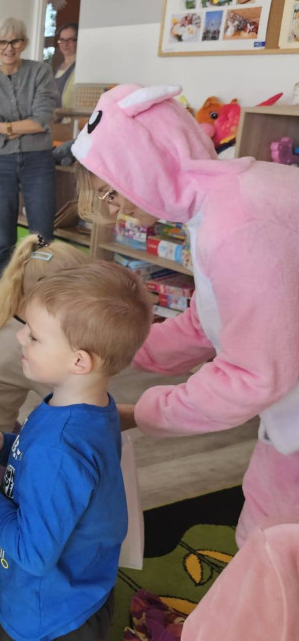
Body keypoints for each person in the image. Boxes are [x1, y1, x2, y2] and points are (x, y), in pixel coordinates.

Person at [71, 83, 299, 547]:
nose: (115, 211)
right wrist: (120, 347)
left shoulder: (234, 226)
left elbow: (254, 375)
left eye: (112, 193)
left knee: (272, 542)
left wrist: (141, 412)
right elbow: (210, 320)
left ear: (143, 168)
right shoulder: (221, 196)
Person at [0, 261, 152, 641]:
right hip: (77, 589)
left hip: (45, 616)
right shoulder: (89, 407)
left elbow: (31, 553)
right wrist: (4, 448)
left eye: (35, 335)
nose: (19, 338)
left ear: (79, 361)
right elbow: (63, 470)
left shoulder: (60, 447)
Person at [0, 235, 89, 606]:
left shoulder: (1, 312)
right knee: (17, 506)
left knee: (9, 496)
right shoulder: (24, 344)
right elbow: (63, 392)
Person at [0, 17, 60, 276]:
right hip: (0, 164)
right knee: (4, 237)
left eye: (15, 41)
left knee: (43, 233)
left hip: (39, 161)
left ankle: (41, 286)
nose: (9, 47)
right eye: (2, 42)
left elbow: (41, 120)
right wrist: (20, 127)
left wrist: (3, 127)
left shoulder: (40, 72)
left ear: (23, 43)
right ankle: (7, 292)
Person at [52, 23, 78, 110]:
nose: (65, 44)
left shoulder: (81, 69)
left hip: (73, 122)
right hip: (56, 122)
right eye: (62, 40)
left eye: (70, 40)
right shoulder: (56, 70)